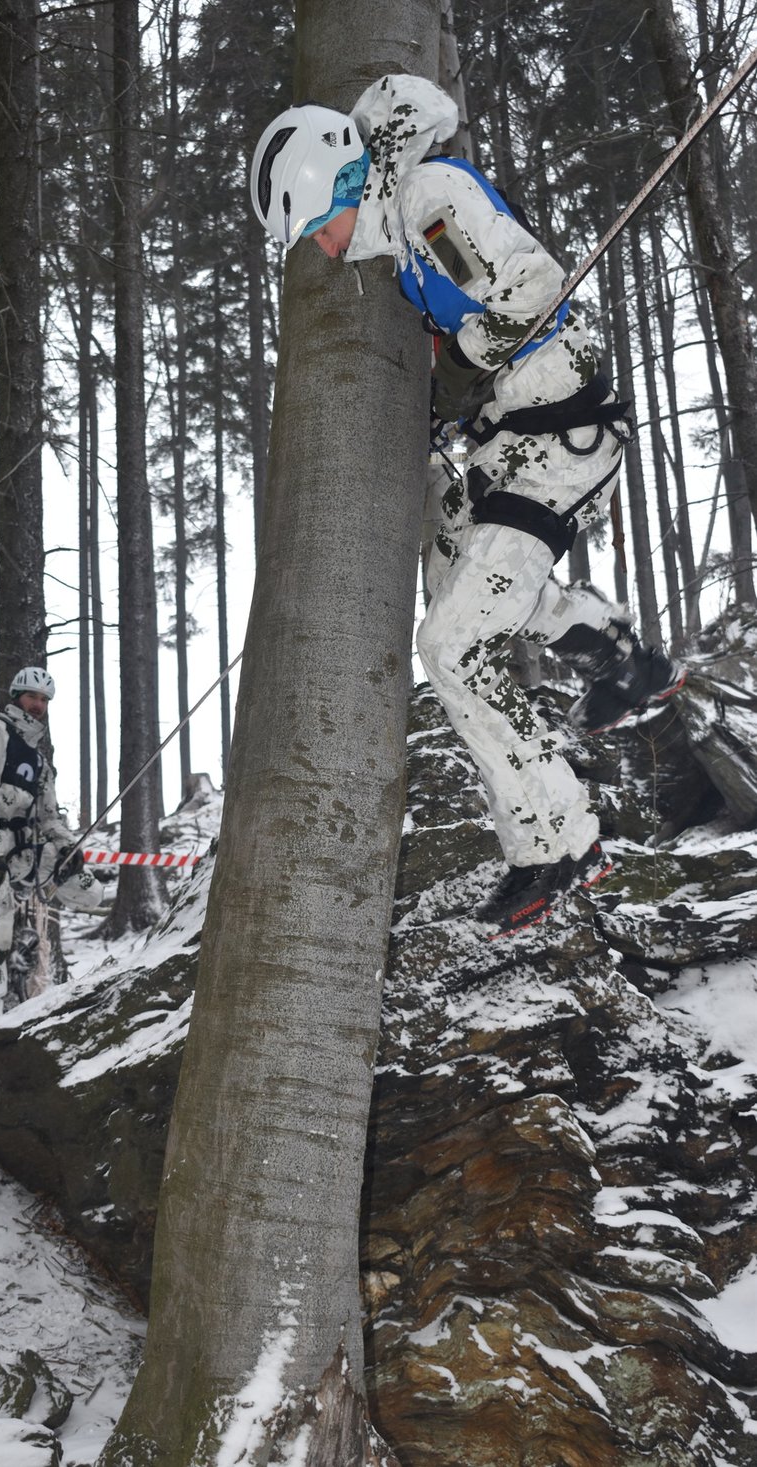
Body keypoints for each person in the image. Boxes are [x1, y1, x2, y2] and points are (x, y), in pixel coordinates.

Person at [250, 73, 682, 936]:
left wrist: (472, 345)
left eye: (314, 227)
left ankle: (556, 838)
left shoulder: (426, 196)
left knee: (450, 646)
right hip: (516, 440)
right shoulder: (404, 240)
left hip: (560, 436)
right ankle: (621, 657)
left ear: (335, 185)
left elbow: (534, 284)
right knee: (465, 579)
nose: (322, 249)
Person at [0, 666, 103, 1045]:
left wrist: (69, 849)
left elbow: (49, 817)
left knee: (90, 891)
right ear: (16, 695)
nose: (38, 705)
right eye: (31, 697)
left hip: (25, 853)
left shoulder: (38, 759)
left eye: (44, 700)